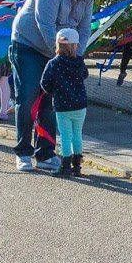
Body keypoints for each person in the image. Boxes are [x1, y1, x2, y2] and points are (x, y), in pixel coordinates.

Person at [11, 0, 99, 173]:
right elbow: (46, 26)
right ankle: (23, 152)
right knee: (28, 97)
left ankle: (45, 154)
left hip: (59, 52)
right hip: (29, 46)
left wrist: (76, 57)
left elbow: (84, 28)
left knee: (52, 102)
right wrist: (62, 56)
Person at [41, 28, 90, 176]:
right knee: (77, 134)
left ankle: (65, 165)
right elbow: (85, 75)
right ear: (76, 45)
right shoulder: (79, 62)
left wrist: (53, 92)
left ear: (57, 44)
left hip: (62, 105)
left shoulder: (53, 63)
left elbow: (45, 83)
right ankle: (77, 165)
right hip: (80, 105)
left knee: (65, 136)